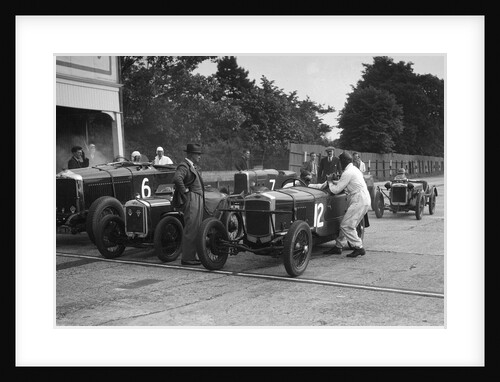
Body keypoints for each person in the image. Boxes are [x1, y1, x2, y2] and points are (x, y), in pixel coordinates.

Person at [315, 152, 371, 258]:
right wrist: (334, 181)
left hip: (359, 199)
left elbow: (335, 190)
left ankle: (359, 247)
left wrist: (329, 181)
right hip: (361, 198)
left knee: (346, 225)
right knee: (347, 223)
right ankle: (338, 246)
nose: (339, 164)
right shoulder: (353, 169)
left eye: (340, 162)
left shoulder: (348, 172)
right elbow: (343, 183)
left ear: (343, 162)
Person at [173, 143, 205, 266]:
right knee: (191, 228)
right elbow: (177, 178)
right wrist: (185, 191)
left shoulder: (191, 166)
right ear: (191, 155)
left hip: (196, 199)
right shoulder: (184, 165)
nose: (199, 157)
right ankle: (187, 258)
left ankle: (192, 256)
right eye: (198, 154)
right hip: (192, 199)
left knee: (195, 228)